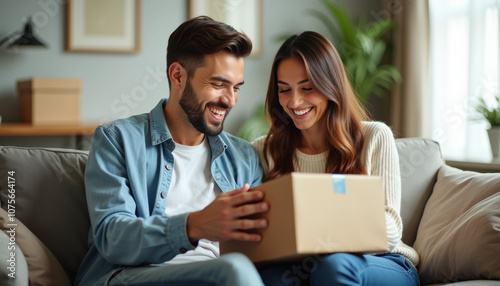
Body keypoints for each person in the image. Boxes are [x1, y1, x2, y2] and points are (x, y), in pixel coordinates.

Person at [75, 16, 269, 286]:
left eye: (236, 88)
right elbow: (112, 237)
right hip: (131, 276)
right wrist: (194, 225)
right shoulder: (117, 139)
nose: (230, 100)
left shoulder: (243, 156)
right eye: (218, 84)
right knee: (232, 270)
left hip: (220, 276)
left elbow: (263, 245)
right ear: (177, 75)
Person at [252, 31, 420, 286]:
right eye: (284, 90)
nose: (294, 101)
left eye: (307, 88)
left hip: (382, 262)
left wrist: (317, 229)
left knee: (334, 267)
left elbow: (391, 230)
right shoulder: (264, 151)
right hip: (303, 265)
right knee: (275, 279)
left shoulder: (375, 137)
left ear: (331, 86)